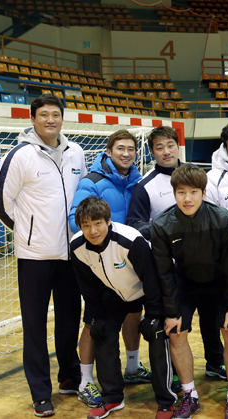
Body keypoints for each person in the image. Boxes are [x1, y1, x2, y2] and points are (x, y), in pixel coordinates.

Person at [0, 94, 85, 417]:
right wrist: (28, 232)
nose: (50, 120)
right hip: (34, 256)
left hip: (71, 254)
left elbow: (82, 198)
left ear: (62, 118)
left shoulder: (76, 153)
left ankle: (70, 377)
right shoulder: (19, 155)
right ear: (32, 119)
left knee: (70, 319)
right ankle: (40, 392)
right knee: (34, 326)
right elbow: (0, 203)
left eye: (55, 114)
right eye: (43, 115)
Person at [127, 126, 226, 383]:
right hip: (172, 266)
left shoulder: (198, 174)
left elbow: (214, 209)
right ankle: (176, 376)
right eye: (159, 148)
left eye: (170, 145)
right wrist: (168, 228)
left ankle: (216, 363)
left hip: (208, 262)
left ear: (177, 146)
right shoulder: (144, 185)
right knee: (175, 325)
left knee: (213, 318)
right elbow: (135, 223)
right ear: (152, 152)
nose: (166, 151)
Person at [151, 165, 228, 419]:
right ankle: (189, 395)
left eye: (194, 192)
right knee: (176, 331)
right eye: (181, 192)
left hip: (219, 283)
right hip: (185, 284)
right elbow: (165, 273)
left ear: (204, 193)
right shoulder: (161, 224)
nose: (187, 198)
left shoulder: (223, 219)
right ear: (174, 194)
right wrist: (171, 312)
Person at [70, 197, 177, 419]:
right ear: (80, 227)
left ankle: (166, 401)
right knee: (102, 330)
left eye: (98, 223)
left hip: (148, 289)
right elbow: (88, 286)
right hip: (114, 292)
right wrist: (96, 315)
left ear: (108, 221)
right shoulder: (77, 247)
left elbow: (152, 278)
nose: (93, 230)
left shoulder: (130, 240)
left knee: (157, 334)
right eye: (86, 225)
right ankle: (112, 398)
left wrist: (154, 314)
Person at [67, 130, 147, 406]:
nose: (126, 153)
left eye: (131, 149)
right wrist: (100, 240)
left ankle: (133, 367)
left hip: (129, 262)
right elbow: (76, 217)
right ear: (109, 151)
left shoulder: (137, 181)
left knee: (133, 313)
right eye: (120, 148)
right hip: (100, 263)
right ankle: (85, 380)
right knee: (93, 321)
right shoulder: (92, 181)